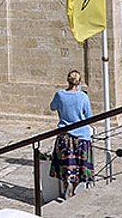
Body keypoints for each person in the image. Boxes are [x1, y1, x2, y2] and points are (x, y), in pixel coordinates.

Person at [49, 70, 94, 200]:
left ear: (67, 80)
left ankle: (66, 188)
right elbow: (89, 116)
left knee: (65, 166)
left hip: (65, 135)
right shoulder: (83, 97)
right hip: (81, 137)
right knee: (81, 166)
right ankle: (75, 188)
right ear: (79, 82)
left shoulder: (60, 95)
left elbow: (52, 107)